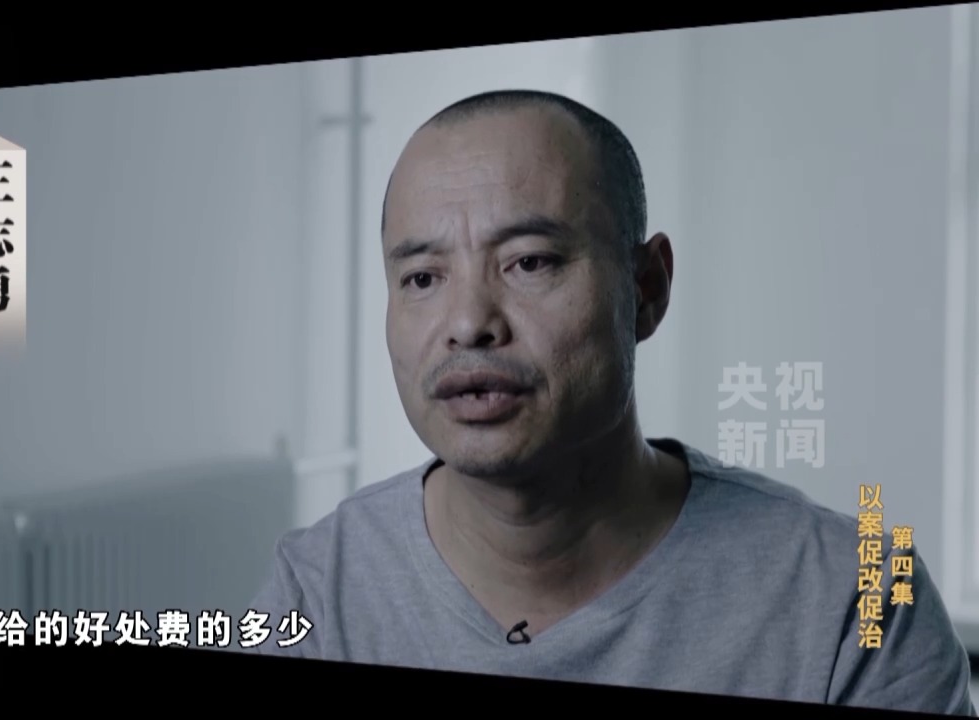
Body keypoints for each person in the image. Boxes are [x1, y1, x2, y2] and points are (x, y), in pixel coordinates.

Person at [238, 89, 976, 714]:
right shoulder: (320, 591)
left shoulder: (858, 599)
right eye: (422, 278)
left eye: (529, 262)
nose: (468, 323)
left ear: (647, 289)